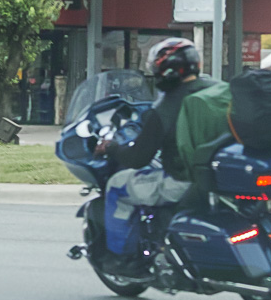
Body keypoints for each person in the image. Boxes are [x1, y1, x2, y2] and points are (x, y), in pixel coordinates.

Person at [93, 39, 217, 267]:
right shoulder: (217, 90)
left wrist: (111, 147)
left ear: (164, 71)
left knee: (118, 185)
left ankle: (121, 257)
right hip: (216, 174)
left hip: (183, 181)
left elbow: (138, 158)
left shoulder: (166, 108)